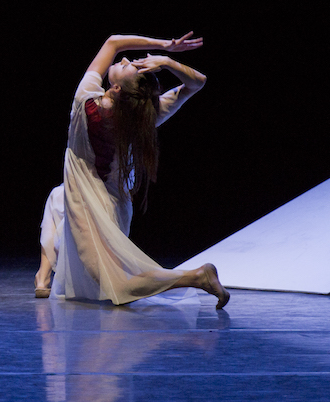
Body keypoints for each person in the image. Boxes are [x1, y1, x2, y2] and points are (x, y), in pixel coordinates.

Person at [35, 32, 229, 309]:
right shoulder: (144, 117)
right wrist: (167, 61)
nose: (125, 59)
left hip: (90, 209)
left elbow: (113, 42)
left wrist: (164, 46)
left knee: (115, 285)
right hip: (113, 205)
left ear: (115, 89)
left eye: (126, 66)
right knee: (56, 197)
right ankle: (42, 278)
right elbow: (197, 82)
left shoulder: (85, 101)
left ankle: (196, 277)